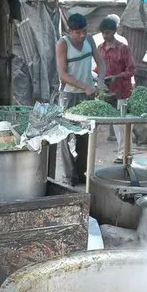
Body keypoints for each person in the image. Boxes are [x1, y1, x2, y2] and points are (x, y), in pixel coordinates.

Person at [56, 13, 105, 185]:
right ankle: (69, 176)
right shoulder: (63, 44)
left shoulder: (89, 40)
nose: (82, 35)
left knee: (86, 135)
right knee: (66, 135)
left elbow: (101, 63)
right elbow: (62, 75)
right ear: (70, 31)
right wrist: (84, 86)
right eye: (78, 32)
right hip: (69, 95)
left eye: (84, 31)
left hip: (88, 95)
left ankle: (80, 172)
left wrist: (100, 82)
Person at [97, 15, 136, 164]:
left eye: (108, 33)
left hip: (122, 91)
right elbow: (98, 68)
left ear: (114, 31)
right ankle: (122, 152)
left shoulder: (122, 48)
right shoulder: (100, 49)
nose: (105, 36)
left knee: (122, 125)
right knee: (114, 122)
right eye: (103, 33)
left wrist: (116, 76)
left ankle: (123, 154)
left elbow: (131, 70)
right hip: (107, 92)